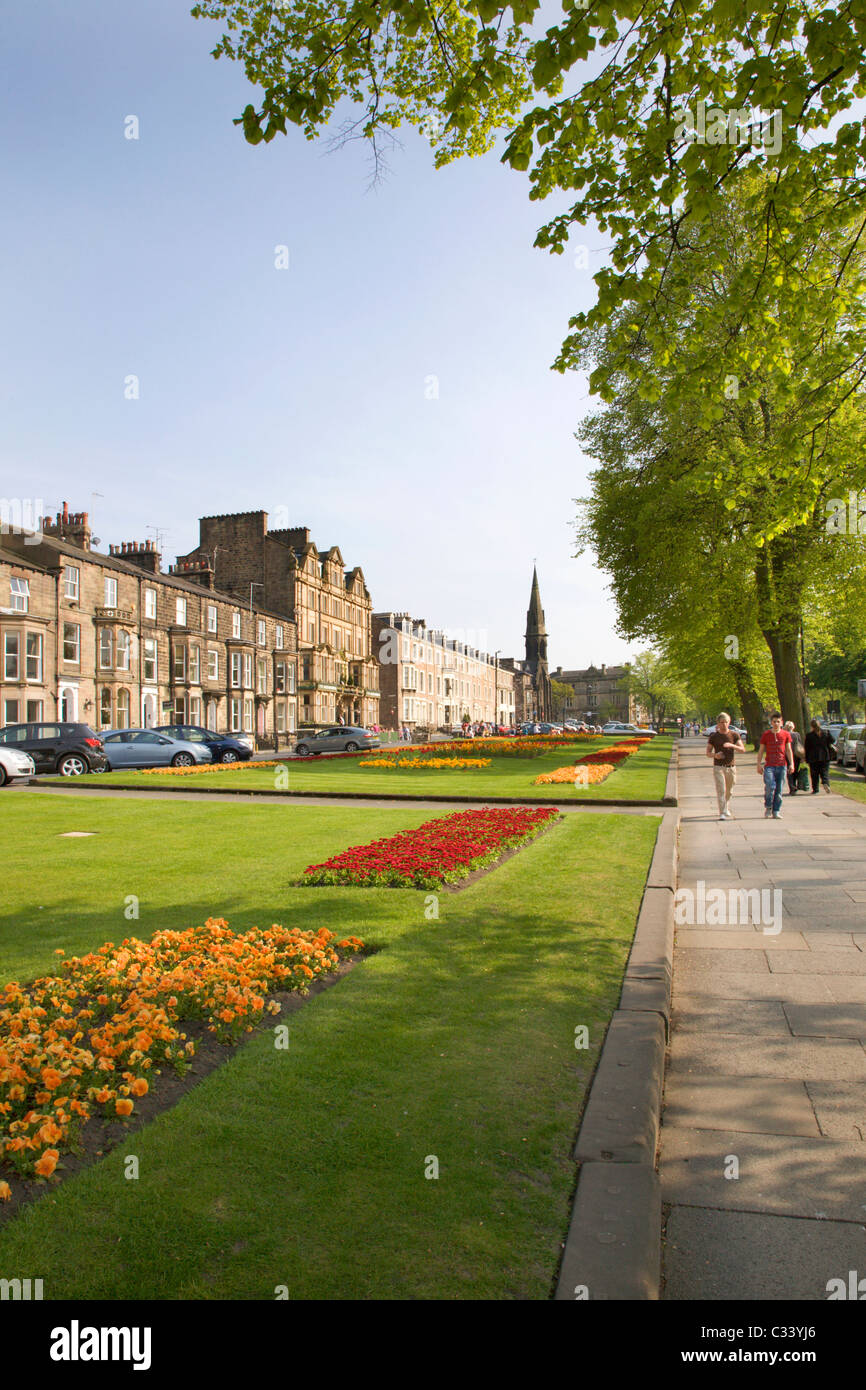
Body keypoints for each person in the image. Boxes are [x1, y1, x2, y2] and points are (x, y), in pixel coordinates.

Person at [705, 712, 743, 819]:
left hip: (731, 766)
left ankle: (726, 806)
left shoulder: (734, 735)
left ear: (729, 722)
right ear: (718, 723)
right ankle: (722, 812)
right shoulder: (714, 736)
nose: (724, 724)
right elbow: (708, 752)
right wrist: (715, 755)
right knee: (720, 789)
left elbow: (742, 749)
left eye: (726, 722)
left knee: (729, 790)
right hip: (718, 767)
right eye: (722, 722)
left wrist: (732, 745)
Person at [757, 712, 795, 819]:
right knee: (769, 786)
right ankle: (768, 806)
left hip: (782, 765)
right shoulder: (766, 735)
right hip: (769, 765)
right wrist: (759, 764)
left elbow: (788, 749)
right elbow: (761, 750)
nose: (776, 723)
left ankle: (776, 810)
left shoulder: (786, 734)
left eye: (778, 722)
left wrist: (791, 764)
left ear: (781, 722)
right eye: (774, 722)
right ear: (771, 722)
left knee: (779, 790)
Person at [804, 718, 835, 794]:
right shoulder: (826, 733)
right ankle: (825, 783)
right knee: (825, 771)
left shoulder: (809, 736)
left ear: (811, 726)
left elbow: (807, 747)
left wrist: (806, 758)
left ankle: (815, 789)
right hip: (825, 756)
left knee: (814, 774)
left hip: (813, 757)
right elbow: (833, 740)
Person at [784, 719, 805, 794]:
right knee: (795, 770)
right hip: (796, 755)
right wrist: (802, 757)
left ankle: (792, 787)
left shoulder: (784, 734)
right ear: (793, 727)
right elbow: (800, 745)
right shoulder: (797, 734)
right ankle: (794, 784)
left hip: (786, 754)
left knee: (789, 771)